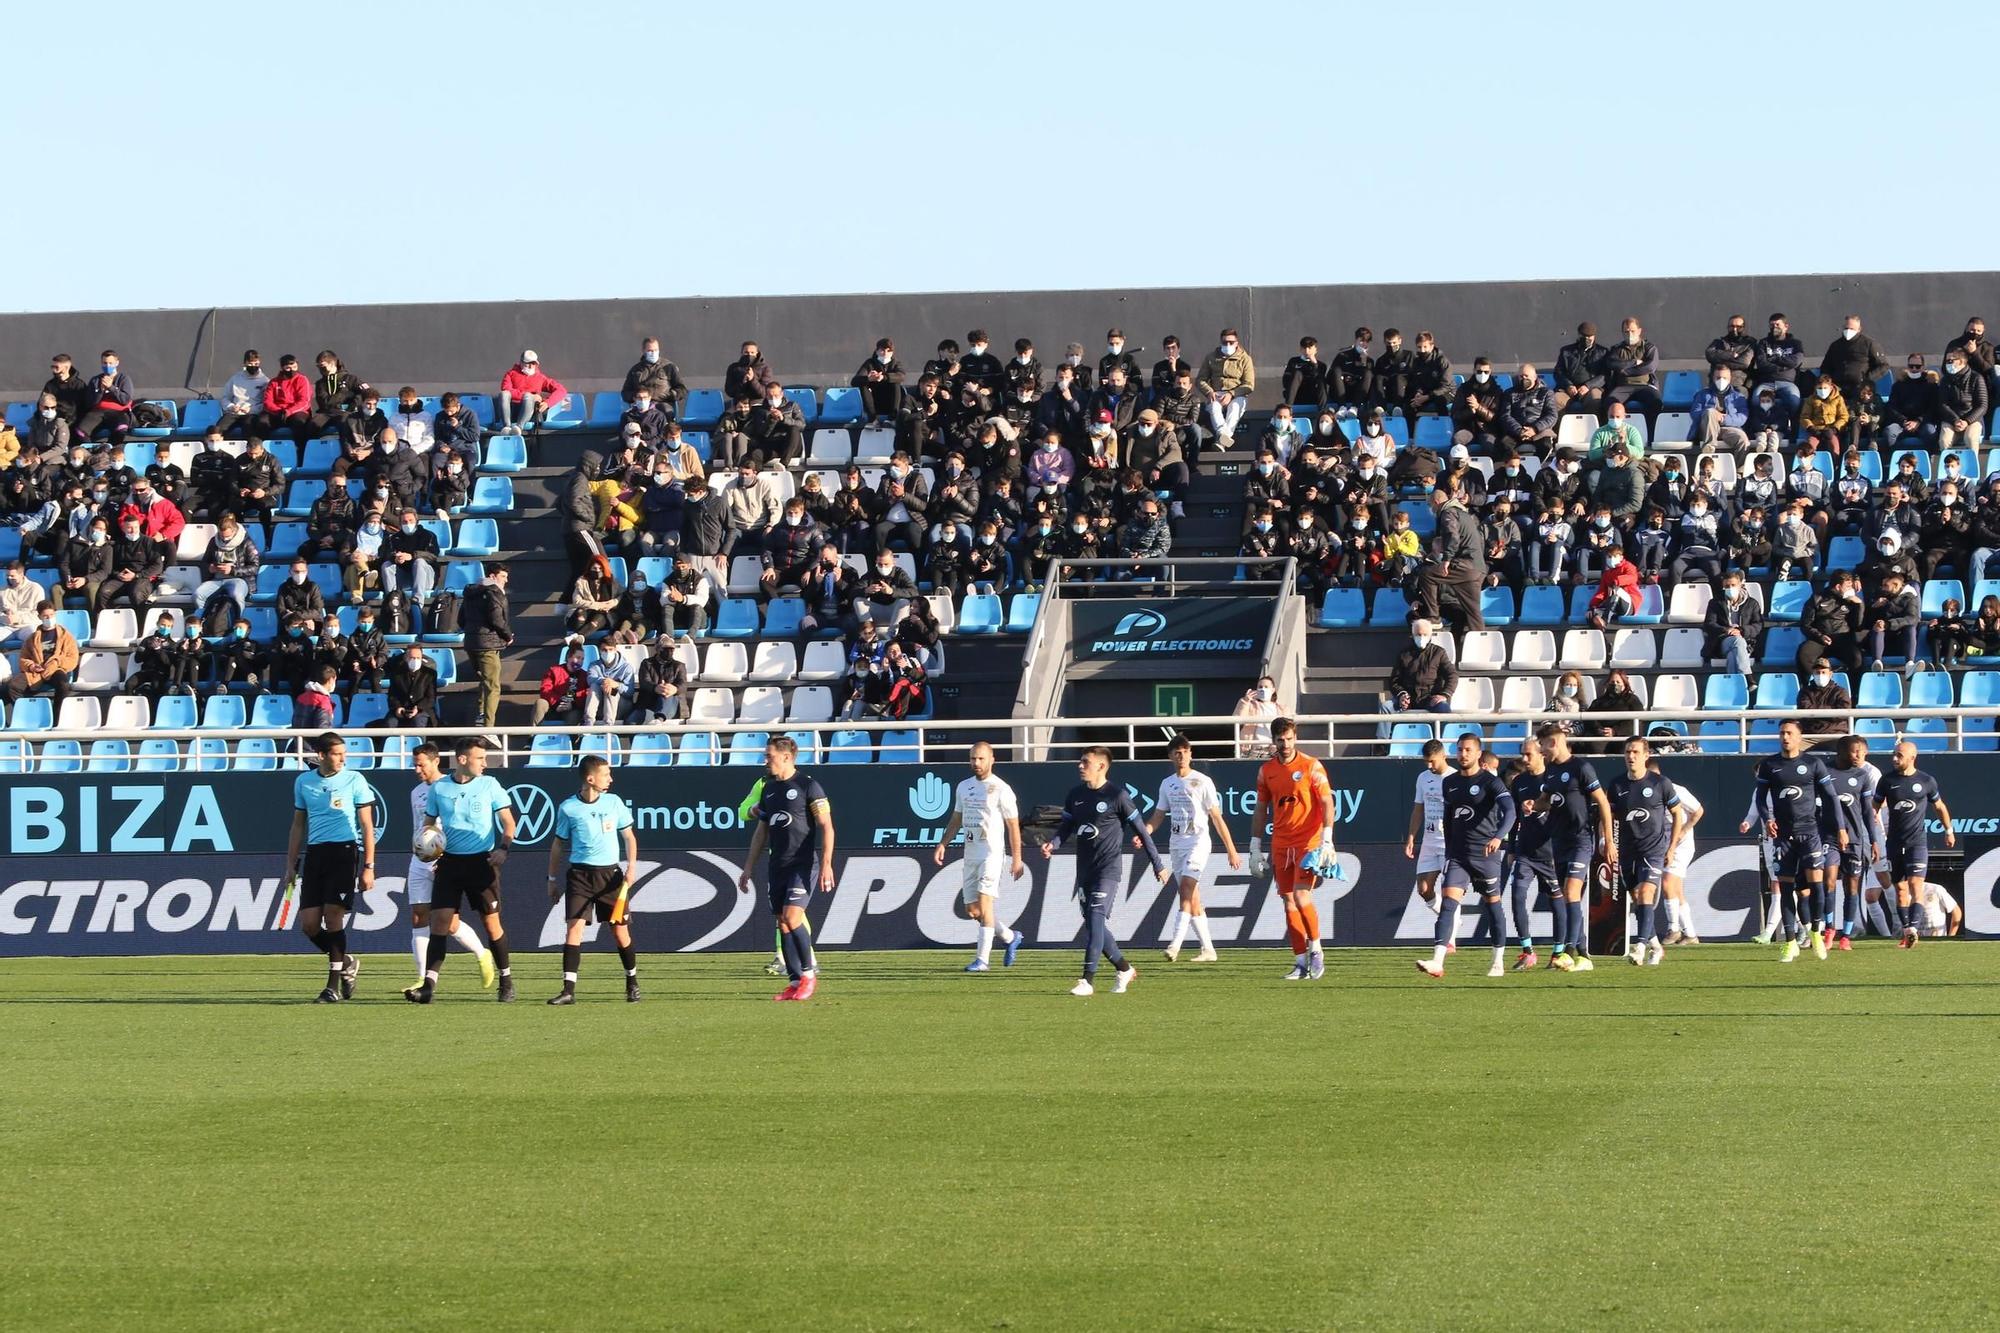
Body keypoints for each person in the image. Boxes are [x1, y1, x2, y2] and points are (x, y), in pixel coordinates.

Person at [1042, 746, 1166, 997]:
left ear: (1102, 766)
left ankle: (1087, 980)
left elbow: (1142, 830)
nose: (1080, 766)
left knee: (1096, 918)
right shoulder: (1075, 795)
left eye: (1085, 762)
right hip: (1084, 870)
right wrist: (1052, 844)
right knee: (1092, 923)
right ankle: (1124, 968)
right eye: (1080, 761)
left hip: (1108, 869)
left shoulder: (1117, 796)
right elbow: (1066, 827)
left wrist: (1158, 864)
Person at [411, 739, 517, 1004]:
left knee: (491, 925)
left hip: (482, 864)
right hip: (449, 865)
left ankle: (506, 980)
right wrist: (430, 851)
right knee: (439, 923)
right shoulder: (440, 788)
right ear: (461, 760)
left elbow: (508, 823)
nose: (484, 763)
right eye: (479, 758)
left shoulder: (489, 785)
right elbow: (428, 826)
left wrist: (503, 848)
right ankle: (428, 986)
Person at [737, 737, 836, 1001]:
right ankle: (794, 981)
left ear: (786, 757)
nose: (765, 760)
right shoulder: (769, 789)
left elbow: (827, 826)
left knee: (793, 918)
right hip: (776, 864)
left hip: (802, 863)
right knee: (782, 923)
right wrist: (747, 868)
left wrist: (826, 864)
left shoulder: (808, 786)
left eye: (769, 756)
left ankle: (808, 974)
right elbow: (761, 833)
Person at [282, 733, 377, 1004]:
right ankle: (346, 961)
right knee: (310, 925)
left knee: (333, 917)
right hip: (315, 855)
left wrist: (369, 865)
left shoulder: (354, 779)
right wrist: (290, 864)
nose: (343, 758)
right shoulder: (304, 782)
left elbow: (368, 826)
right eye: (337, 754)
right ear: (321, 755)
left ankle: (332, 987)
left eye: (344, 753)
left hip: (344, 852)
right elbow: (298, 825)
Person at [1741, 720, 1846, 964]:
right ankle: (1789, 942)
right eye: (1782, 733)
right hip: (1783, 837)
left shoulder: (1813, 764)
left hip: (1810, 834)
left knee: (1816, 886)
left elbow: (1831, 797)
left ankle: (1816, 933)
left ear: (1799, 737)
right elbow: (1760, 798)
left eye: (1790, 733)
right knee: (1786, 889)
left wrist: (1840, 828)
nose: (1785, 737)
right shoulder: (1770, 765)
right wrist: (1767, 819)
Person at [545, 756, 643, 1006]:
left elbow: (629, 837)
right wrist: (552, 878)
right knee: (574, 929)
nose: (611, 779)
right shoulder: (568, 807)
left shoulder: (614, 802)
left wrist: (631, 867)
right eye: (606, 774)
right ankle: (568, 990)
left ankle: (632, 982)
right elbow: (558, 844)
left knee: (620, 932)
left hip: (610, 877)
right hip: (580, 876)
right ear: (590, 779)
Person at [1416, 733, 1516, 979]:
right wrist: (1450, 850)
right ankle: (1438, 960)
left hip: (1485, 855)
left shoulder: (1490, 783)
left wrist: (1498, 837)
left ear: (1478, 753)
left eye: (1468, 750)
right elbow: (1448, 819)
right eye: (1460, 749)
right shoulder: (1449, 783)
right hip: (1458, 856)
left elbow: (1511, 811)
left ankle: (1497, 961)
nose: (1463, 754)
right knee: (1449, 904)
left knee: (1493, 906)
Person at [399, 743, 494, 998]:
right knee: (419, 916)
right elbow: (422, 827)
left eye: (422, 764)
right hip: (421, 859)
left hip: (449, 860)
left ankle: (482, 954)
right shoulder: (416, 792)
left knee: (449, 924)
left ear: (435, 761)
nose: (417, 769)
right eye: (414, 764)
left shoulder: (447, 787)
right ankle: (422, 978)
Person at [1250, 718, 1337, 981]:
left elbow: (1326, 801)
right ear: (1274, 741)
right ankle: (1300, 961)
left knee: (1301, 897)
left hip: (1307, 842)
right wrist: (1255, 847)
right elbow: (1261, 808)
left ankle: (1317, 950)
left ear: (1295, 737)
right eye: (1280, 740)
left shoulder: (1311, 766)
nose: (1285, 744)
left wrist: (1328, 838)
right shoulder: (1266, 771)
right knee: (1288, 901)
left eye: (1288, 738)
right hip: (1281, 843)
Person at [1145, 734, 1242, 964]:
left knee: (1186, 889)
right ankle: (1208, 950)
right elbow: (1158, 815)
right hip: (1177, 844)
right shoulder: (1167, 784)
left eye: (1185, 751)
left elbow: (1216, 817)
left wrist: (1231, 849)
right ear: (1170, 756)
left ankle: (1175, 944)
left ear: (1191, 754)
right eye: (1177, 752)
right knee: (1193, 899)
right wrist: (1145, 832)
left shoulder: (1203, 781)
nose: (1181, 756)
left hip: (1198, 842)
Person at [932, 741, 1027, 973]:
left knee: (985, 903)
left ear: (992, 759)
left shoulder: (1001, 789)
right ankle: (1010, 936)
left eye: (981, 758)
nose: (976, 763)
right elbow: (956, 819)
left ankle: (982, 960)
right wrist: (943, 843)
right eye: (973, 758)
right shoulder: (964, 787)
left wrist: (1017, 859)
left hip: (992, 855)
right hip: (971, 854)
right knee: (973, 911)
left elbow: (1013, 826)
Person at [1533, 723, 1614, 971]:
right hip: (1559, 841)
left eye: (1542, 746)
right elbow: (1546, 801)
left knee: (1571, 892)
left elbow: (1603, 802)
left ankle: (1567, 951)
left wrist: (1608, 840)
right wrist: (1533, 805)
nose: (1541, 751)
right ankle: (1583, 955)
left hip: (1581, 839)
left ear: (1554, 742)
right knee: (1571, 898)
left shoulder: (1581, 767)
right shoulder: (1550, 771)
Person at [1605, 736, 1685, 968]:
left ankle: (1639, 947)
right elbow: (1607, 816)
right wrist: (1607, 841)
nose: (1631, 756)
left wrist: (1671, 846)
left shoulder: (1660, 783)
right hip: (1627, 851)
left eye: (1636, 752)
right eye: (1628, 752)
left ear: (1646, 755)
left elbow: (1678, 813)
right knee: (1637, 899)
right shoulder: (1617, 785)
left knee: (1646, 894)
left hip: (1653, 849)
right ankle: (1656, 946)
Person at [1875, 741, 1955, 950]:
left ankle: (1913, 929)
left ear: (1912, 757)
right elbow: (1872, 809)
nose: (1894, 758)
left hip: (1917, 843)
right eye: (1894, 754)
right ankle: (1907, 930)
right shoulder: (1886, 781)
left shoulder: (1926, 781)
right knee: (1900, 890)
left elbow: (1939, 806)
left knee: (1915, 885)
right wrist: (1870, 833)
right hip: (1893, 843)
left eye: (1899, 755)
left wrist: (1948, 830)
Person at [1822, 734, 1882, 951]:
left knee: (1852, 886)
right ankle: (1829, 928)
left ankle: (1846, 936)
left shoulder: (1862, 775)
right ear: (1842, 752)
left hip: (1856, 839)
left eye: (1863, 752)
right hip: (1829, 836)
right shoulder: (1825, 772)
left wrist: (1873, 840)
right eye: (1855, 751)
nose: (1859, 756)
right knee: (1828, 880)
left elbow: (1867, 810)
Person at [1501, 747, 1552, 971]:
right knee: (1517, 895)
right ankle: (1527, 951)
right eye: (1522, 754)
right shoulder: (1519, 782)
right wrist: (1511, 848)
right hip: (1525, 852)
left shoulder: (1553, 779)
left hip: (1551, 852)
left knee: (1560, 902)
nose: (1524, 758)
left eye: (1528, 754)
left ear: (1542, 755)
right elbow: (1514, 818)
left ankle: (1562, 951)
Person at [1404, 739, 1450, 914]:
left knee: (1450, 891)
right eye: (1426, 761)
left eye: (1433, 761)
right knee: (1423, 889)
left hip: (1449, 842)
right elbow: (1418, 809)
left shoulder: (1454, 777)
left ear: (1443, 756)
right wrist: (1411, 837)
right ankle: (1450, 920)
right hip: (1429, 841)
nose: (1429, 765)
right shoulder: (1423, 778)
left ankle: (1449, 936)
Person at [462, 567, 512, 729]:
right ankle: (488, 726)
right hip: (488, 645)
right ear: (492, 576)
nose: (506, 580)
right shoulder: (494, 593)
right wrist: (508, 636)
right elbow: (497, 619)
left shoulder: (470, 593)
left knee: (484, 680)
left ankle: (482, 714)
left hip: (471, 643)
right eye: (503, 576)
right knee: (493, 686)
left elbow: (460, 619)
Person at [4, 602, 77, 710]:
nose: (49, 618)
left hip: (55, 669)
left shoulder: (66, 636)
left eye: (52, 615)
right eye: (45, 616)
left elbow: (72, 658)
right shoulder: (32, 638)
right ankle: (27, 713)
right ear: (39, 617)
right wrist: (31, 666)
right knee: (12, 686)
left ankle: (57, 715)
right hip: (35, 671)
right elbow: (24, 658)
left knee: (64, 685)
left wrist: (56, 662)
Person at [1197, 328, 1254, 447]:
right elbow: (1200, 380)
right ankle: (1224, 437)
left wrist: (1232, 394)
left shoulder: (1245, 359)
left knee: (1234, 408)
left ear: (1237, 343)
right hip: (1216, 393)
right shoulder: (1211, 358)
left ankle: (1222, 439)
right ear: (1220, 342)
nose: (1228, 345)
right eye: (1225, 342)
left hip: (1237, 395)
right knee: (1214, 407)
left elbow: (1249, 384)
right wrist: (1209, 392)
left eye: (1231, 342)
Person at [1703, 569, 1763, 679]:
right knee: (1737, 640)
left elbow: (1758, 625)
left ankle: (1736, 685)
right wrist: (1726, 630)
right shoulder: (1715, 603)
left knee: (1732, 656)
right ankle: (1747, 676)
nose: (1730, 588)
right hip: (1722, 642)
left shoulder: (1752, 603)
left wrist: (1741, 630)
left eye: (1733, 585)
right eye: (1727, 586)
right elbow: (1709, 624)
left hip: (1747, 643)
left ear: (1740, 585)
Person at [497, 350, 567, 434]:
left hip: (530, 412)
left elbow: (561, 390)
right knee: (504, 394)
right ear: (521, 362)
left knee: (528, 397)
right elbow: (506, 389)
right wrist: (530, 396)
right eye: (527, 363)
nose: (530, 366)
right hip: (513, 409)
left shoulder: (540, 378)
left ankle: (519, 428)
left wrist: (547, 403)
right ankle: (506, 427)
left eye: (533, 364)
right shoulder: (510, 374)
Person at [622, 335, 688, 416]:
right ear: (643, 351)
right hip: (640, 407)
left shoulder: (669, 367)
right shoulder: (635, 370)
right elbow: (625, 392)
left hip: (662, 405)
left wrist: (668, 395)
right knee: (628, 418)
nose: (653, 353)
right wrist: (637, 398)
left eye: (655, 350)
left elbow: (682, 390)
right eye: (650, 351)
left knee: (666, 412)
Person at [1232, 676, 1281, 757]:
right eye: (1260, 687)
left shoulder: (1282, 708)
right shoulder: (1250, 705)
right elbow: (1237, 718)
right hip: (1253, 749)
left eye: (1266, 687)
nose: (1263, 689)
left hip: (1274, 749)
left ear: (1273, 690)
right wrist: (1245, 700)